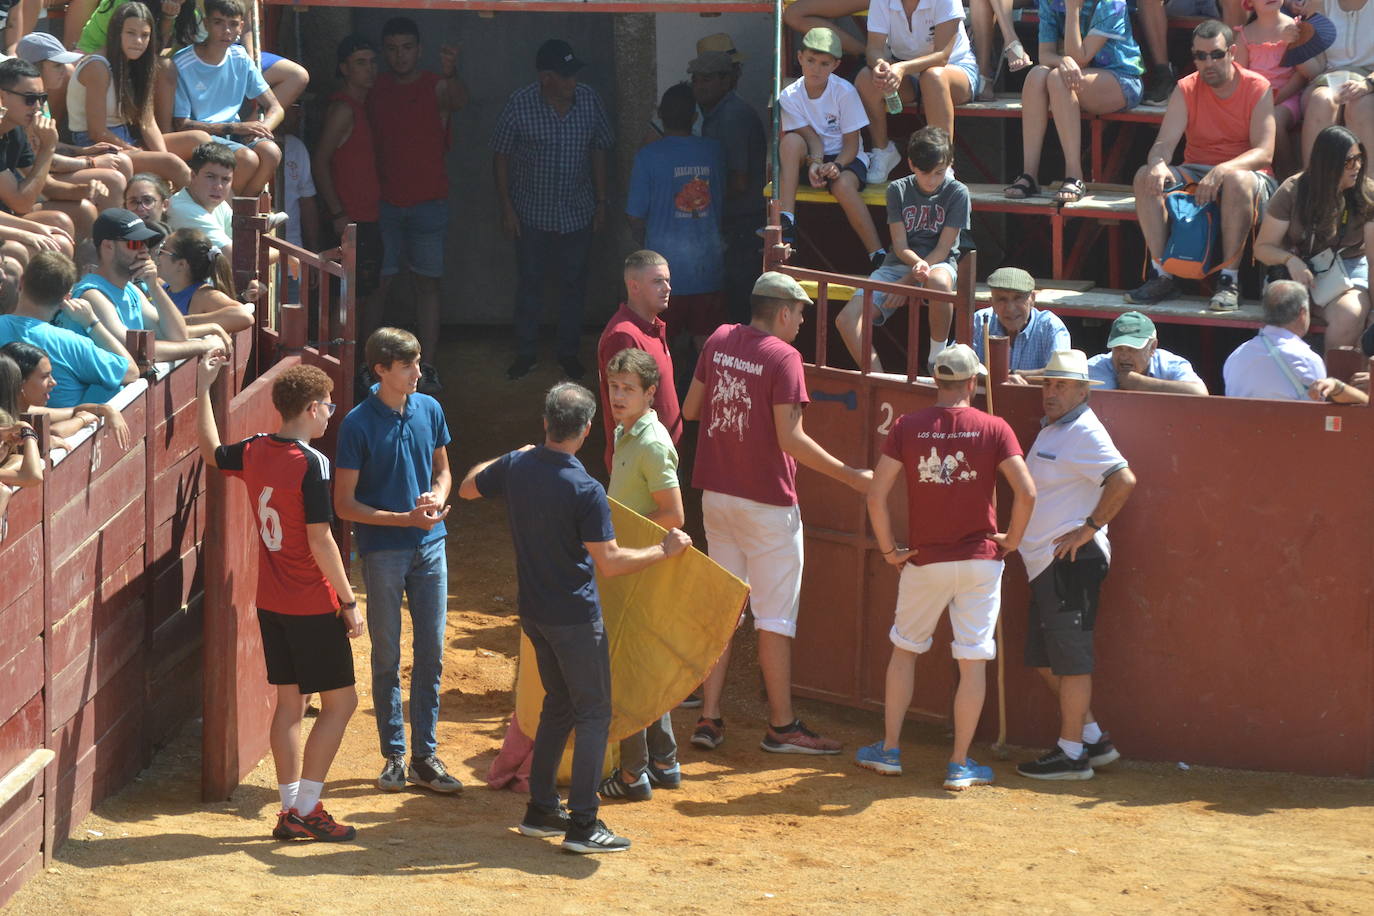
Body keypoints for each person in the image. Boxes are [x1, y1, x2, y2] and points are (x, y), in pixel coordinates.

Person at [459, 381, 691, 853]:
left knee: (559, 707)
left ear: (546, 422)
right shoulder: (585, 488)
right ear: (586, 430)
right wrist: (662, 551)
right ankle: (583, 824)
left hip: (536, 613)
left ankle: (542, 808)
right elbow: (610, 562)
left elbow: (466, 488)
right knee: (593, 715)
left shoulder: (518, 465)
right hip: (575, 618)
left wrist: (512, 454)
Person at [681, 271, 872, 754]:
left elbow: (691, 410)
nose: (803, 322)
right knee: (774, 619)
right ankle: (782, 727)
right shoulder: (784, 357)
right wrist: (850, 474)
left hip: (717, 498)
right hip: (766, 503)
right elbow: (791, 439)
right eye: (802, 313)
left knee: (724, 613)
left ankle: (708, 718)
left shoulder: (720, 339)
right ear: (783, 312)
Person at [195, 354, 363, 842]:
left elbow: (210, 451)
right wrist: (349, 602)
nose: (331, 412)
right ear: (311, 408)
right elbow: (320, 539)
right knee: (341, 704)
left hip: (271, 600)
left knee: (290, 704)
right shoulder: (312, 462)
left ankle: (291, 809)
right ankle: (307, 809)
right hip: (312, 600)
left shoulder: (253, 450)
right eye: (328, 405)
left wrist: (204, 391)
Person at [858, 344, 1035, 787]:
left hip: (925, 560)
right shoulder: (994, 427)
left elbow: (876, 495)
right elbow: (1027, 493)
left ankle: (890, 750)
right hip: (979, 560)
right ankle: (958, 764)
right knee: (973, 661)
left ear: (936, 382)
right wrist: (1011, 542)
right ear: (973, 383)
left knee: (905, 651)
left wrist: (888, 551)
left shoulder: (908, 426)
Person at [334, 326, 462, 796]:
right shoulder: (357, 423)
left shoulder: (429, 408)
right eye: (407, 365)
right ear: (381, 370)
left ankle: (425, 754)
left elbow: (443, 469)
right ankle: (395, 755)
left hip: (431, 544)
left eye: (419, 362)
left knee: (431, 651)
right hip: (385, 550)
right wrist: (402, 518)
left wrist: (437, 497)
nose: (417, 372)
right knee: (387, 654)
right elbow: (344, 504)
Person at [1016, 349, 1137, 780]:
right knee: (1047, 658)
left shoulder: (1085, 430)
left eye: (1062, 385)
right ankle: (1093, 738)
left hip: (1070, 560)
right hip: (1046, 563)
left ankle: (1071, 755)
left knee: (1071, 661)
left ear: (1084, 391)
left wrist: (1089, 527)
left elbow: (1124, 479)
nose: (1051, 391)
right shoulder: (1056, 429)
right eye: (1048, 383)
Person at [1127, 20, 1277, 313]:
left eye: (1216, 54)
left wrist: (1222, 170)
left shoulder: (1257, 86)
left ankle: (1229, 280)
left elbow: (1264, 153)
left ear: (1232, 52)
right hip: (1196, 170)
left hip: (1250, 176)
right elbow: (1164, 144)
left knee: (1236, 181)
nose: (1208, 62)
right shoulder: (1186, 87)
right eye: (1200, 56)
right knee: (1144, 176)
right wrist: (1157, 163)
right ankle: (1162, 275)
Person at [596, 348, 686, 802]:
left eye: (628, 389)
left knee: (627, 672)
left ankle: (633, 775)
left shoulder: (650, 443)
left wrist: (631, 542)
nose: (617, 396)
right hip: (632, 565)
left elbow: (673, 513)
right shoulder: (628, 431)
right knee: (643, 669)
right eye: (614, 387)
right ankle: (665, 762)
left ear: (651, 393)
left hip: (639, 567)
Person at [493, 38, 612, 381]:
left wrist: (602, 202)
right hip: (532, 214)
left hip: (578, 213)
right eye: (566, 76)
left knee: (574, 285)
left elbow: (600, 149)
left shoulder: (589, 100)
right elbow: (500, 155)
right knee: (529, 283)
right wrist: (507, 207)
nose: (573, 82)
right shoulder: (520, 104)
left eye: (574, 74)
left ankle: (568, 353)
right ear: (546, 77)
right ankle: (526, 352)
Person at [369, 17, 467, 365]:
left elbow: (458, 100)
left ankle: (428, 365)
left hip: (429, 203)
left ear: (419, 49)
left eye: (407, 48)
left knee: (427, 286)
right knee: (378, 285)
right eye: (393, 49)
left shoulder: (436, 84)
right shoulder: (375, 87)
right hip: (383, 205)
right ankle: (370, 368)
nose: (400, 56)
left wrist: (452, 71)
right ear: (384, 52)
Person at [838, 126, 969, 373]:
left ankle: (936, 360)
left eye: (939, 173)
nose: (931, 181)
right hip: (897, 265)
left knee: (938, 282)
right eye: (924, 173)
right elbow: (899, 245)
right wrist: (907, 276)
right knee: (845, 319)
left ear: (949, 164)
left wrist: (908, 282)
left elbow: (943, 248)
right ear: (910, 164)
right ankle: (878, 378)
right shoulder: (896, 189)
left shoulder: (958, 192)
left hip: (938, 265)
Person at [1005, 0, 1144, 203]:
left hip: (1121, 79)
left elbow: (1080, 58)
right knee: (1036, 75)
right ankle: (1029, 174)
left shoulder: (1112, 3)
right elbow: (1045, 54)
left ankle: (1074, 175)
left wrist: (1072, 9)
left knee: (1057, 79)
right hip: (1075, 74)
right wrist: (1062, 60)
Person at [57, 207, 229, 363]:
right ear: (108, 246)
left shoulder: (131, 289)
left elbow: (176, 335)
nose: (144, 250)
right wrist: (203, 345)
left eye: (145, 243)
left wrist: (153, 286)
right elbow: (135, 351)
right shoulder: (92, 295)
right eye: (134, 243)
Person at [1254, 125, 1374, 349]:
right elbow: (1262, 248)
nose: (1357, 167)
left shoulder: (1367, 193)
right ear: (1328, 164)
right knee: (1286, 312)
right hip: (1298, 267)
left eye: (1360, 159)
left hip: (1348, 267)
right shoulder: (1293, 190)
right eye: (1349, 161)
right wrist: (1290, 261)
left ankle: (1332, 382)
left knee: (1350, 314)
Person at [774, 28, 885, 268]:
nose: (816, 68)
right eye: (811, 61)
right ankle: (787, 220)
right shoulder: (789, 95)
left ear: (835, 65)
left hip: (846, 157)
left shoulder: (845, 92)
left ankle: (877, 253)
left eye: (824, 63)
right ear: (800, 57)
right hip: (815, 155)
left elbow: (852, 143)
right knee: (790, 141)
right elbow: (810, 139)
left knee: (843, 184)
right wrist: (815, 163)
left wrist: (835, 166)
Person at [69, 2, 211, 187]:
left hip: (127, 138)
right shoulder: (98, 67)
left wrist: (161, 155)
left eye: (144, 35)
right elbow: (97, 132)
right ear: (116, 33)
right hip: (98, 145)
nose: (138, 41)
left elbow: (147, 121)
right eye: (130, 33)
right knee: (173, 165)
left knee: (201, 141)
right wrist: (150, 155)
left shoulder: (139, 65)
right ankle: (194, 211)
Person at [626, 83, 725, 349]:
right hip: (708, 268)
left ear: (660, 115)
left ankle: (665, 391)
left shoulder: (647, 157)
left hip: (660, 273)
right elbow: (725, 200)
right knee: (706, 345)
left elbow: (635, 215)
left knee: (658, 346)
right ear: (694, 117)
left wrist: (643, 241)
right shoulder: (714, 152)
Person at [0, 58, 124, 243]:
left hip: (6, 215)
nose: (37, 107)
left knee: (84, 209)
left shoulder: (15, 130)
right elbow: (22, 203)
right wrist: (48, 147)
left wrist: (84, 190)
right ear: (2, 97)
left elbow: (46, 185)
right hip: (5, 218)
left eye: (42, 99)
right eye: (30, 99)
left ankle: (94, 269)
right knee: (60, 223)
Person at [856, 0, 981, 181]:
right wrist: (881, 64)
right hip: (905, 71)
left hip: (955, 68)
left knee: (933, 77)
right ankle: (882, 151)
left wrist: (901, 68)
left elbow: (942, 56)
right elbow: (873, 49)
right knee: (865, 78)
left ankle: (942, 164)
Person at [170, 0, 282, 196]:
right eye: (218, 23)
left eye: (232, 24)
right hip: (203, 138)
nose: (226, 30)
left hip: (235, 136)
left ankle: (241, 209)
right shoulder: (182, 62)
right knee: (247, 158)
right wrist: (238, 128)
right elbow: (182, 124)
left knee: (272, 152)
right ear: (206, 24)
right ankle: (226, 212)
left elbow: (275, 107)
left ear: (240, 27)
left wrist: (263, 129)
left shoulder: (240, 57)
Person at [688, 47, 766, 327]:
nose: (700, 86)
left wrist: (702, 208)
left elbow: (739, 181)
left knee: (737, 299)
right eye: (696, 79)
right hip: (732, 221)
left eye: (707, 79)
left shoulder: (732, 116)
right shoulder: (713, 113)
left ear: (726, 80)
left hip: (742, 224)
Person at [0, 250, 136, 408]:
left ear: (22, 281)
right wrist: (92, 323)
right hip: (56, 430)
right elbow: (131, 372)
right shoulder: (73, 344)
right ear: (67, 297)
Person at [313, 35, 381, 336]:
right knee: (346, 301)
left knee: (361, 296)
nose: (370, 69)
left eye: (372, 62)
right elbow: (320, 161)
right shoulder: (344, 109)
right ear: (344, 68)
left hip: (367, 216)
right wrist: (338, 212)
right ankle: (346, 374)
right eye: (360, 63)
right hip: (349, 220)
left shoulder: (362, 106)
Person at [596, 250, 681, 473]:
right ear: (634, 287)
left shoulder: (652, 327)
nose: (667, 288)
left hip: (658, 456)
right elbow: (622, 407)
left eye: (667, 280)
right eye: (657, 281)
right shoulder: (624, 336)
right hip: (641, 464)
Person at [1223, 278, 1370, 401]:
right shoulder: (1308, 359)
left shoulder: (1235, 356)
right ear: (1303, 313)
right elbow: (1317, 410)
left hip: (1243, 433)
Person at [1, 338, 132, 450]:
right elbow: (52, 433)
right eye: (44, 377)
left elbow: (74, 410)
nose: (53, 382)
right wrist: (81, 420)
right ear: (20, 382)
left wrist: (106, 409)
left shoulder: (27, 409)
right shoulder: (4, 418)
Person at [1235, 0, 1313, 178]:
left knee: (1274, 121)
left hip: (1288, 97)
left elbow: (1301, 76)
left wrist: (1275, 99)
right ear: (1249, 3)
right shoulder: (1244, 35)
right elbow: (1240, 76)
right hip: (1256, 100)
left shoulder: (1296, 27)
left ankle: (1287, 177)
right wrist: (1259, 101)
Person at [1299, 0, 1374, 170]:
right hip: (1330, 78)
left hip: (1370, 80)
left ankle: (1368, 188)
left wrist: (1368, 84)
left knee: (1362, 106)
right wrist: (1297, 46)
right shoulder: (1319, 3)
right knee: (1321, 101)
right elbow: (1316, 66)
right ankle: (1312, 185)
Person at [971, 266, 1071, 381]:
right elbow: (957, 365)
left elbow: (1061, 373)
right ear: (991, 302)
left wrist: (1012, 374)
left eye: (1018, 298)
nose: (1010, 308)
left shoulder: (1050, 326)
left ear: (1032, 299)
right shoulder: (979, 322)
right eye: (1002, 299)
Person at [1086, 311, 1209, 392]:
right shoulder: (1096, 366)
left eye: (1132, 349)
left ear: (1152, 348)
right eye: (1118, 348)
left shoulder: (1170, 363)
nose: (1124, 356)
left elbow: (1199, 393)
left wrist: (1140, 383)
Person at [157, 227, 251, 331]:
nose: (157, 255)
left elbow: (244, 316)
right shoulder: (160, 287)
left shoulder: (203, 296)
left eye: (162, 250)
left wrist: (181, 321)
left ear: (181, 264)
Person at [167, 142, 233, 251]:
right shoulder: (183, 210)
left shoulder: (216, 202)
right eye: (210, 177)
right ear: (193, 176)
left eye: (225, 179)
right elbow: (237, 258)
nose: (218, 186)